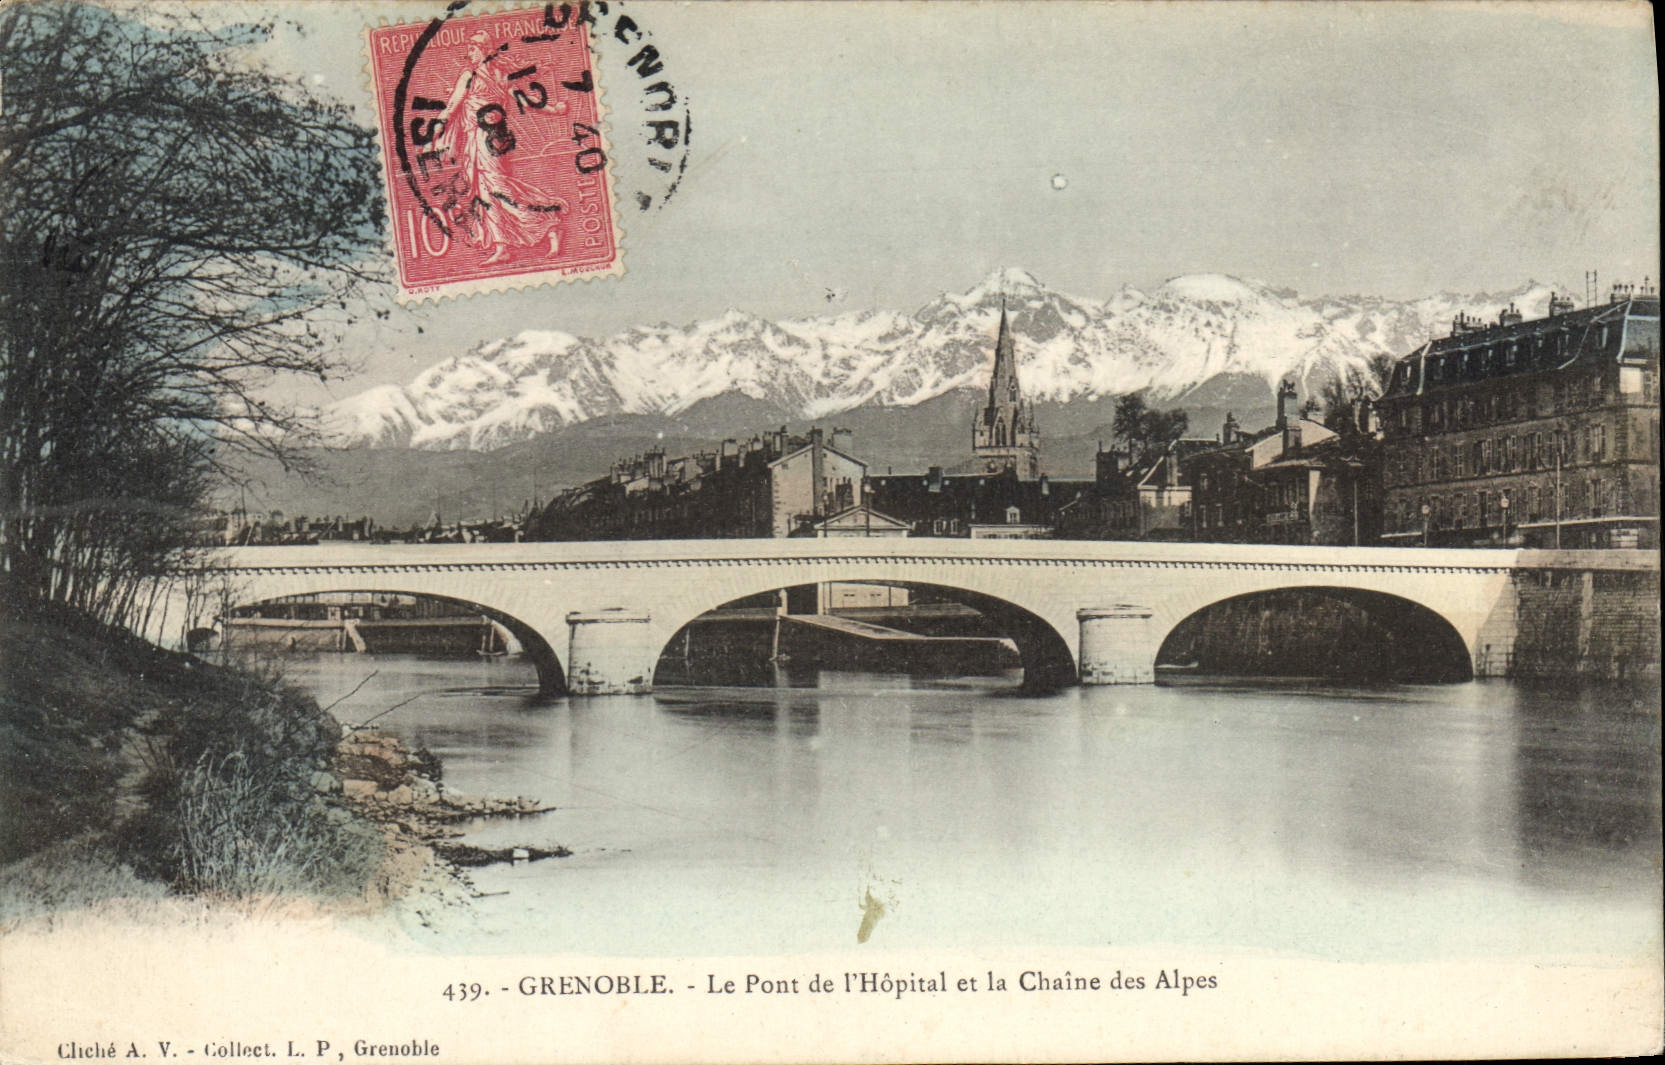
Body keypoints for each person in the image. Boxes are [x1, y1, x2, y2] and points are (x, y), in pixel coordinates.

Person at [435, 32, 568, 265]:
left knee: (496, 189)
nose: (470, 53)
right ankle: (505, 244)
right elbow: (526, 101)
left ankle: (548, 224)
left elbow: (453, 106)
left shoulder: (472, 75)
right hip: (494, 139)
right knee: (489, 191)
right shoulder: (500, 75)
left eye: (474, 48)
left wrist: (433, 132)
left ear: (485, 50)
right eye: (470, 48)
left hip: (485, 139)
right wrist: (553, 109)